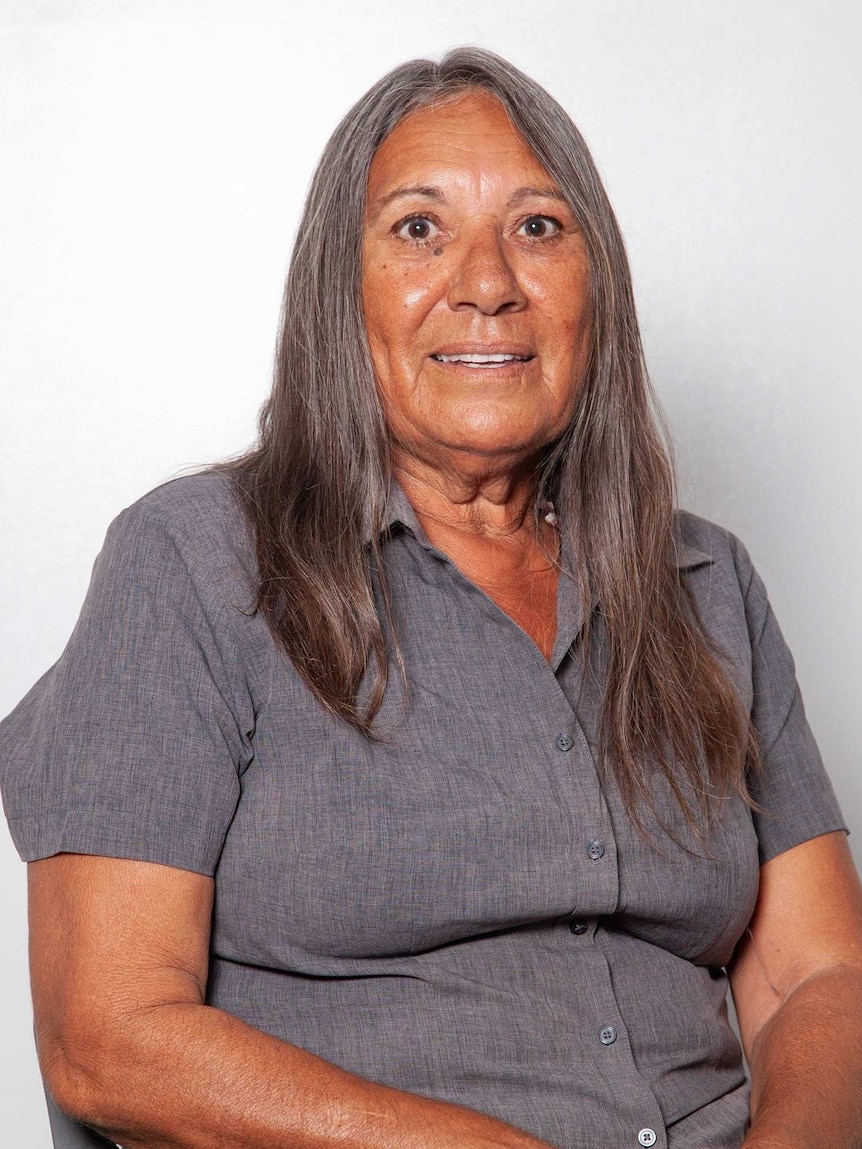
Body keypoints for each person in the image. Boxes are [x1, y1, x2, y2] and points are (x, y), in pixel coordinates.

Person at [2, 46, 862, 1149]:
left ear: (596, 281)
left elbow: (819, 974)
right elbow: (107, 1036)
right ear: (340, 287)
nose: (488, 282)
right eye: (418, 229)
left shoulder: (704, 586)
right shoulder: (192, 564)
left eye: (539, 227)